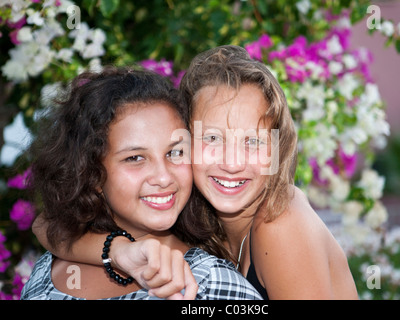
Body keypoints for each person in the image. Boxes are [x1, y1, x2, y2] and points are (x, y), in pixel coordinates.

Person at [33, 46, 358, 299]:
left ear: (277, 149)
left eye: (253, 142)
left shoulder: (280, 221)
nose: (232, 163)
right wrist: (120, 252)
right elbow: (47, 225)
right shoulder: (195, 212)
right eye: (212, 138)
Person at [21, 67, 262, 300]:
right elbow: (45, 224)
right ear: (92, 174)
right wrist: (117, 252)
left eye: (175, 153)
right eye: (135, 158)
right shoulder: (54, 258)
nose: (163, 177)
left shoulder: (211, 284)